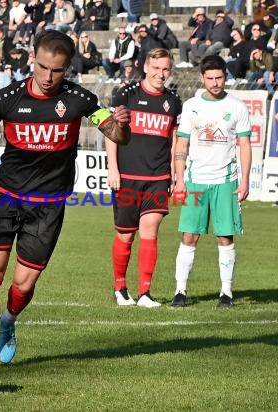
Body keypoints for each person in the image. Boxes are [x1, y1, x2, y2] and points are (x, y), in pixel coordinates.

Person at [0, 30, 131, 363]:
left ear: (67, 68)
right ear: (32, 58)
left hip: (48, 206)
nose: (48, 77)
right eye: (42, 67)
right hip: (5, 197)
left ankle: (8, 321)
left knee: (23, 284)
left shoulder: (80, 100)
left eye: (57, 70)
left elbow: (118, 136)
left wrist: (121, 124)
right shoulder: (7, 98)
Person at [171, 55, 252, 308]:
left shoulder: (237, 106)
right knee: (189, 236)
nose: (215, 83)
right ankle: (180, 291)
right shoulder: (192, 106)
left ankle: (226, 293)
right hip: (195, 180)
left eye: (219, 78)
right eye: (210, 78)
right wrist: (180, 180)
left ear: (225, 77)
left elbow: (245, 145)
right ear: (201, 78)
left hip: (226, 181)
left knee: (225, 238)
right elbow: (181, 143)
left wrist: (245, 180)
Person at [106, 48, 182, 307]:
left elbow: (173, 142)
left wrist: (174, 172)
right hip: (127, 176)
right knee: (126, 235)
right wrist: (113, 169)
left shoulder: (173, 101)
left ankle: (145, 293)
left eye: (166, 69)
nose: (161, 74)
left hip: (158, 178)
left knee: (150, 232)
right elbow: (112, 133)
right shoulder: (126, 94)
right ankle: (120, 288)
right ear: (146, 67)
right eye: (157, 68)